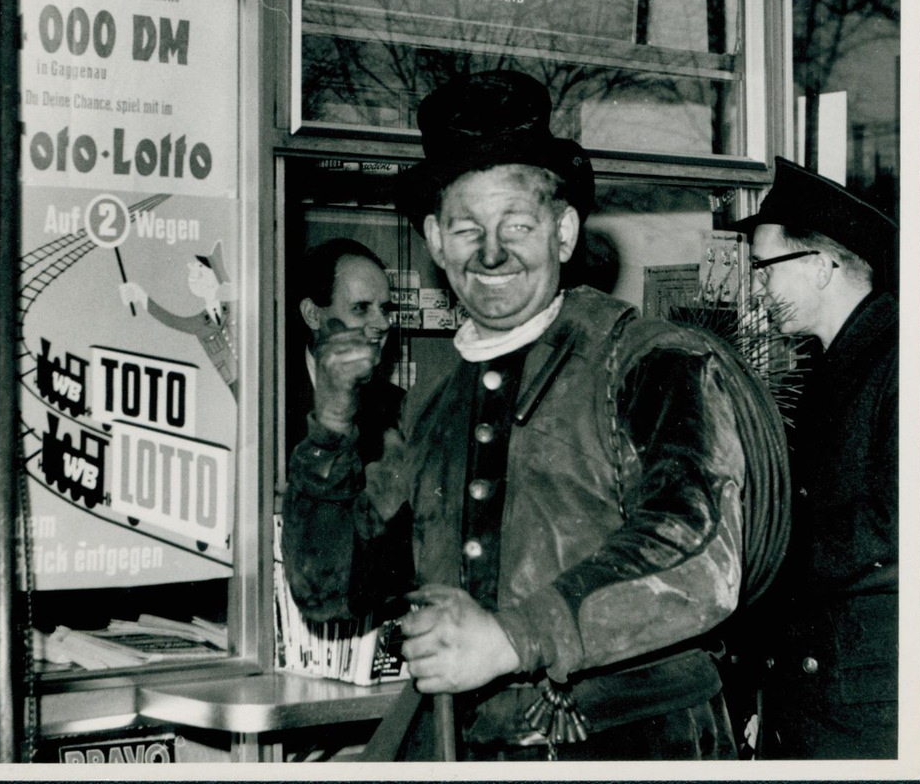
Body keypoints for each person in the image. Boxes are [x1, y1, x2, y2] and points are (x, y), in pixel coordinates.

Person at [281, 70, 790, 761]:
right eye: (466, 228)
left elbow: (699, 551)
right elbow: (332, 593)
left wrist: (517, 635)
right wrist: (331, 426)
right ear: (435, 240)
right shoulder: (440, 397)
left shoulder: (652, 360)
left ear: (564, 231)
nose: (490, 252)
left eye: (516, 224)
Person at [732, 157, 898, 759]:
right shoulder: (837, 362)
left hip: (866, 705)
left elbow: (892, 528)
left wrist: (767, 550)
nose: (758, 289)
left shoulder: (899, 360)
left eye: (763, 269)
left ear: (822, 266)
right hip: (822, 688)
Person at [286, 238, 402, 468]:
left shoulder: (398, 408)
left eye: (384, 309)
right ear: (312, 314)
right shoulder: (271, 398)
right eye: (361, 308)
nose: (382, 323)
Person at [119, 240, 238, 396]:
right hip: (231, 381)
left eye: (200, 269)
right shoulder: (199, 323)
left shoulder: (234, 308)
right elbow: (171, 320)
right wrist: (141, 296)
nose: (194, 276)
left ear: (215, 278)